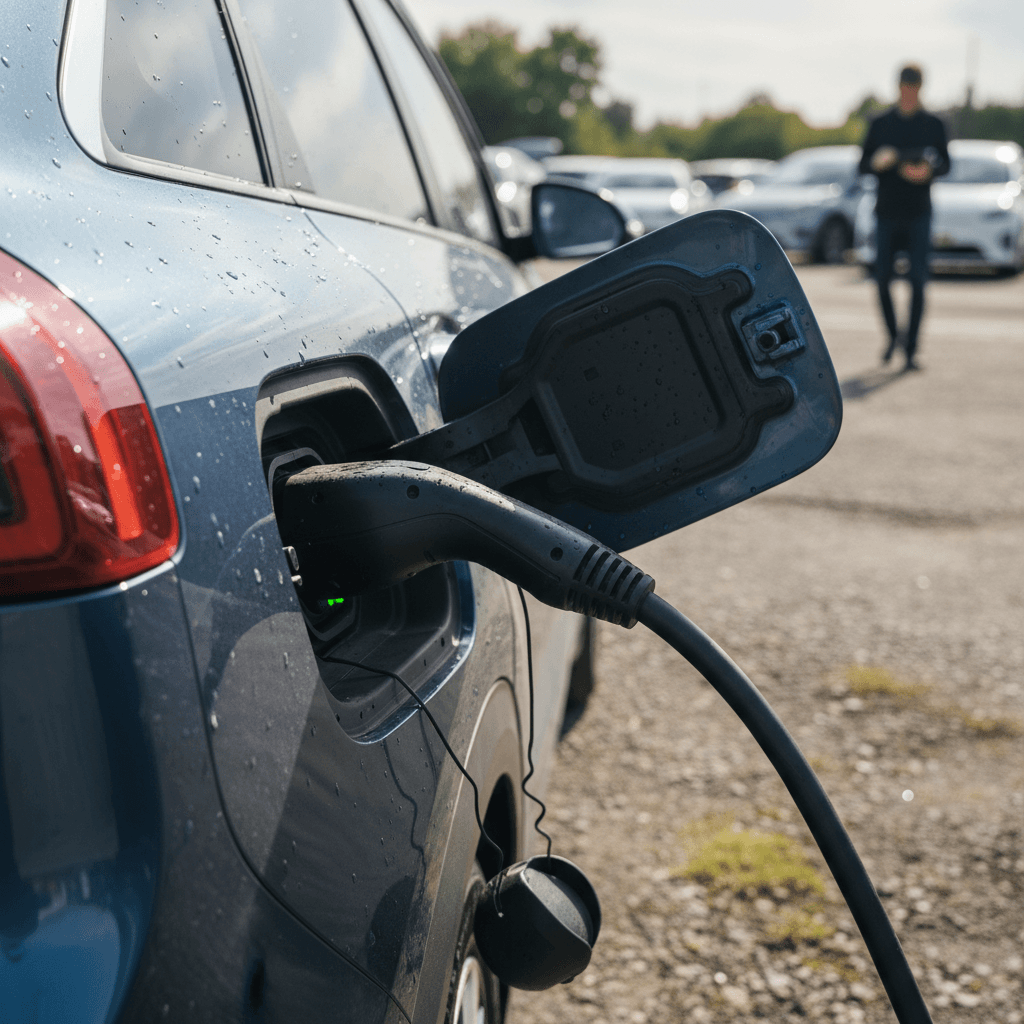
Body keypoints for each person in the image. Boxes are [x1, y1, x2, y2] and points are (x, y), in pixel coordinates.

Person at [859, 64, 950, 370]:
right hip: (886, 212)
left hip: (919, 212)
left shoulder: (934, 124)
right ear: (897, 87)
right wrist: (878, 161)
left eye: (914, 87)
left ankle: (910, 350)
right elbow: (862, 166)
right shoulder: (880, 123)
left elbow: (947, 164)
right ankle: (892, 337)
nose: (909, 92)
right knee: (882, 278)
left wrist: (928, 171)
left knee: (917, 280)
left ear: (921, 88)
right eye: (904, 86)